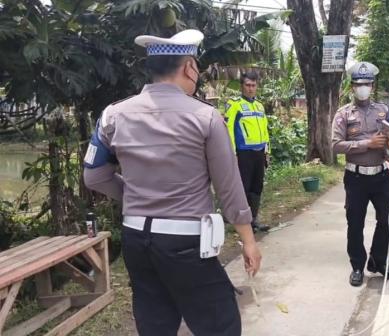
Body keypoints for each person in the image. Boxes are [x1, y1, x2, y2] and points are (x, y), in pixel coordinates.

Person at [83, 29, 261, 336]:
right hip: (185, 243)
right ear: (189, 67)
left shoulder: (114, 115)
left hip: (137, 241)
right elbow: (229, 189)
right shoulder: (205, 117)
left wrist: (135, 197)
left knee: (155, 325)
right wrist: (248, 240)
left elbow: (94, 175)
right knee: (220, 324)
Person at [331, 61, 389, 287]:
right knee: (355, 223)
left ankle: (378, 261)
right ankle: (357, 266)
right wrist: (368, 143)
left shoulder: (384, 110)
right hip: (355, 178)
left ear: (372, 86)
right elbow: (335, 145)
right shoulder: (343, 114)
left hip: (381, 176)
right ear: (352, 86)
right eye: (358, 84)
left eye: (367, 84)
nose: (362, 87)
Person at [224, 72, 271, 233]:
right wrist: (232, 153)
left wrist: (267, 151)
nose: (251, 89)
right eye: (248, 85)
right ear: (242, 86)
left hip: (259, 152)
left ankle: (254, 219)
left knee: (257, 187)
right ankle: (240, 222)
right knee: (242, 187)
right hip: (243, 153)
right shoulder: (234, 104)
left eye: (253, 85)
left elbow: (265, 130)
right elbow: (228, 129)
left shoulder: (259, 106)